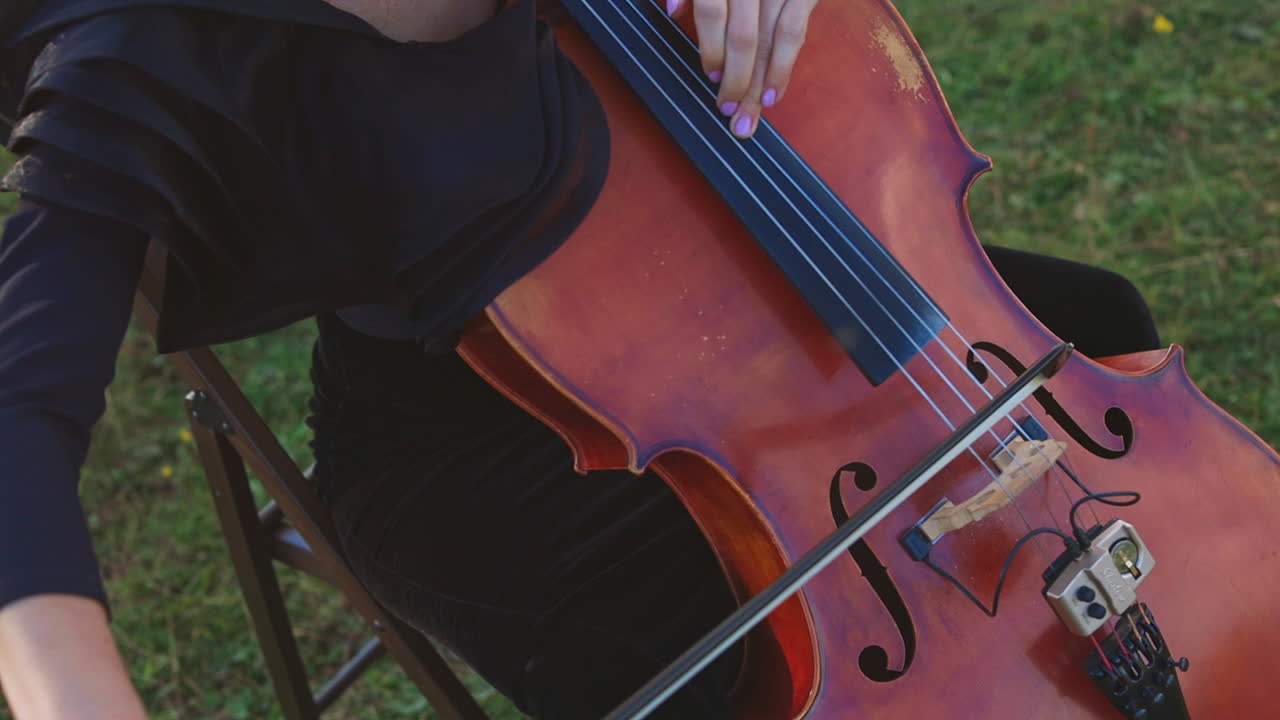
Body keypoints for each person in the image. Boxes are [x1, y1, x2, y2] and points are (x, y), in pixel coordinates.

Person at [0, 0, 1161, 718]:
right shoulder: (131, 44)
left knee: (1089, 319)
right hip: (478, 438)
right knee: (750, 664)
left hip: (721, 255)